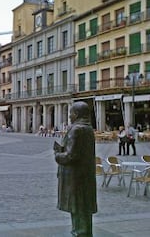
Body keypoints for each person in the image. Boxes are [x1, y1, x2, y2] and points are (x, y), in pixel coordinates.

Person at [54, 101, 97, 237]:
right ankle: (82, 231)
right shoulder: (88, 129)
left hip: (75, 176)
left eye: (71, 113)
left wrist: (57, 155)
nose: (69, 116)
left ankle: (79, 232)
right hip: (85, 174)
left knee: (77, 205)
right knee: (83, 206)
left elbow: (71, 155)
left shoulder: (76, 129)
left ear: (76, 114)